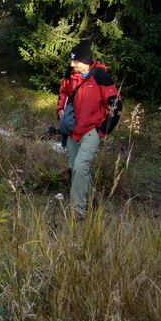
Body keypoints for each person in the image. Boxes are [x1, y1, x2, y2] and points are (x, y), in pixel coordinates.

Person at [55, 39, 122, 220]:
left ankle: (77, 211)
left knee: (80, 167)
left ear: (84, 61)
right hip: (72, 131)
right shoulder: (70, 75)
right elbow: (63, 93)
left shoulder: (101, 77)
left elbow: (116, 105)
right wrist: (60, 109)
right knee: (75, 168)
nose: (71, 64)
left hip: (91, 130)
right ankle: (92, 197)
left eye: (75, 61)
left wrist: (102, 131)